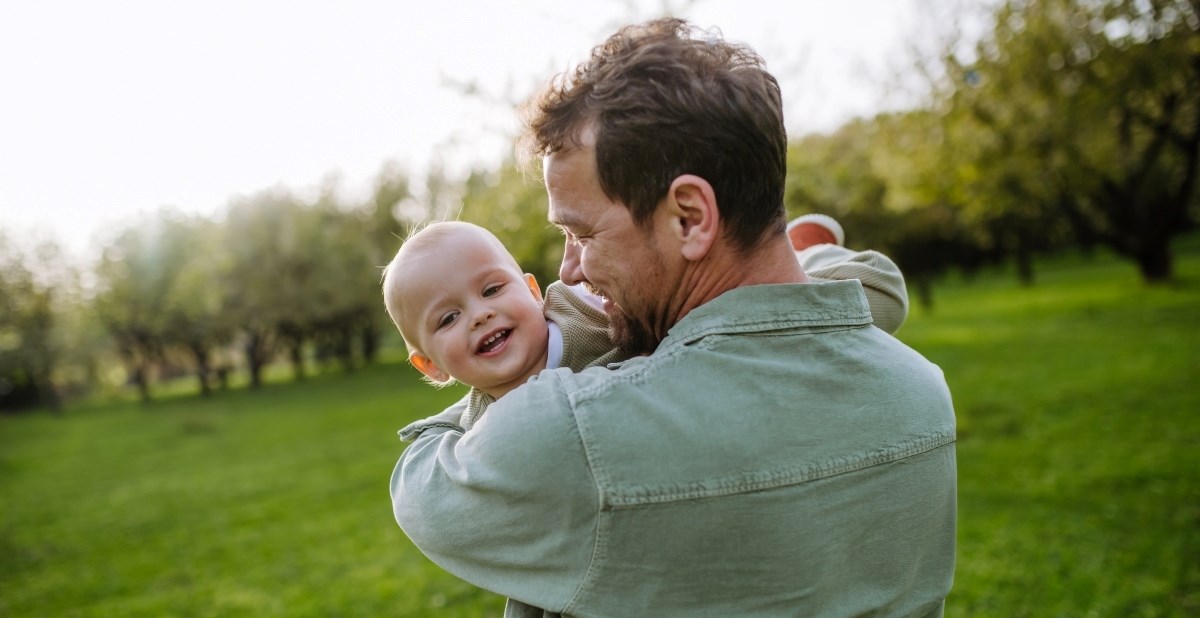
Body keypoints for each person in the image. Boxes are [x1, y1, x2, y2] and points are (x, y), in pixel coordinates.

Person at [391, 17, 956, 618]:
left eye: (583, 233)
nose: (569, 272)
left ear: (689, 218)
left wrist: (543, 349)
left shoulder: (573, 438)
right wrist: (815, 260)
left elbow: (422, 479)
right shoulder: (921, 394)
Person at [381, 218, 909, 428]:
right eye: (449, 317)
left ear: (533, 291)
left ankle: (796, 251)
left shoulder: (590, 314)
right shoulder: (478, 433)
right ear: (429, 365)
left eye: (492, 289)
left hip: (736, 307)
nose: (481, 314)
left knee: (855, 300)